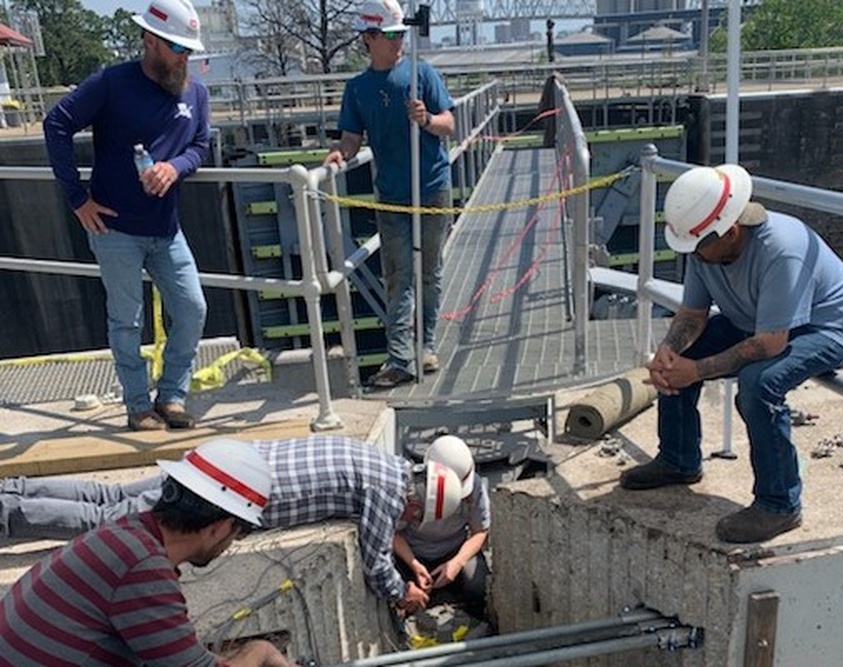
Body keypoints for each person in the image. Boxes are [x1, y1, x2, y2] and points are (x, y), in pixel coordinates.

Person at [619, 164, 843, 544]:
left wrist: (696, 370)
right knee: (685, 357)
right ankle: (678, 459)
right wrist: (668, 354)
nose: (696, 257)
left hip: (830, 326)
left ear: (731, 230)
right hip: (760, 320)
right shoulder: (705, 247)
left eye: (700, 247)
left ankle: (779, 503)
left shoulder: (781, 250)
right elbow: (692, 315)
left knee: (759, 384)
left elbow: (769, 344)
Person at [0, 435, 464, 614]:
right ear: (416, 503)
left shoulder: (384, 467)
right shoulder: (388, 494)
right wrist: (403, 592)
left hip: (223, 466)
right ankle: (7, 515)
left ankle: (14, 490)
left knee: (110, 496)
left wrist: (410, 564)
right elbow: (375, 556)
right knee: (109, 518)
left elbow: (385, 531)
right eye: (416, 517)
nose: (409, 520)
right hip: (224, 495)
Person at [44, 0, 211, 431]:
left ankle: (171, 396)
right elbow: (56, 123)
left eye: (189, 50)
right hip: (114, 226)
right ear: (151, 41)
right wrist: (77, 199)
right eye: (177, 48)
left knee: (192, 308)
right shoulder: (112, 82)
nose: (184, 58)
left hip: (166, 228)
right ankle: (138, 407)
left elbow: (200, 146)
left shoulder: (195, 92)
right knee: (126, 319)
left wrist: (175, 168)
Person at [0, 438, 295, 667]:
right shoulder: (141, 568)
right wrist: (261, 651)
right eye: (238, 533)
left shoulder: (127, 534)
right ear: (220, 528)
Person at [323, 0, 456, 388]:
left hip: (431, 187)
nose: (399, 41)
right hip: (393, 194)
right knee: (399, 275)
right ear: (369, 38)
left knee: (429, 273)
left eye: (401, 34)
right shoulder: (358, 88)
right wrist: (340, 154)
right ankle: (400, 355)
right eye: (391, 35)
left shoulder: (422, 75)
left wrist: (428, 119)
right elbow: (351, 136)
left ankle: (426, 347)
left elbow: (449, 122)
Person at [393, 435, 490, 618]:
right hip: (410, 554)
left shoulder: (474, 486)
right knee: (398, 593)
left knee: (478, 586)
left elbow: (480, 532)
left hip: (454, 551)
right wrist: (414, 564)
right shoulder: (411, 488)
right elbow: (392, 533)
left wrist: (457, 563)